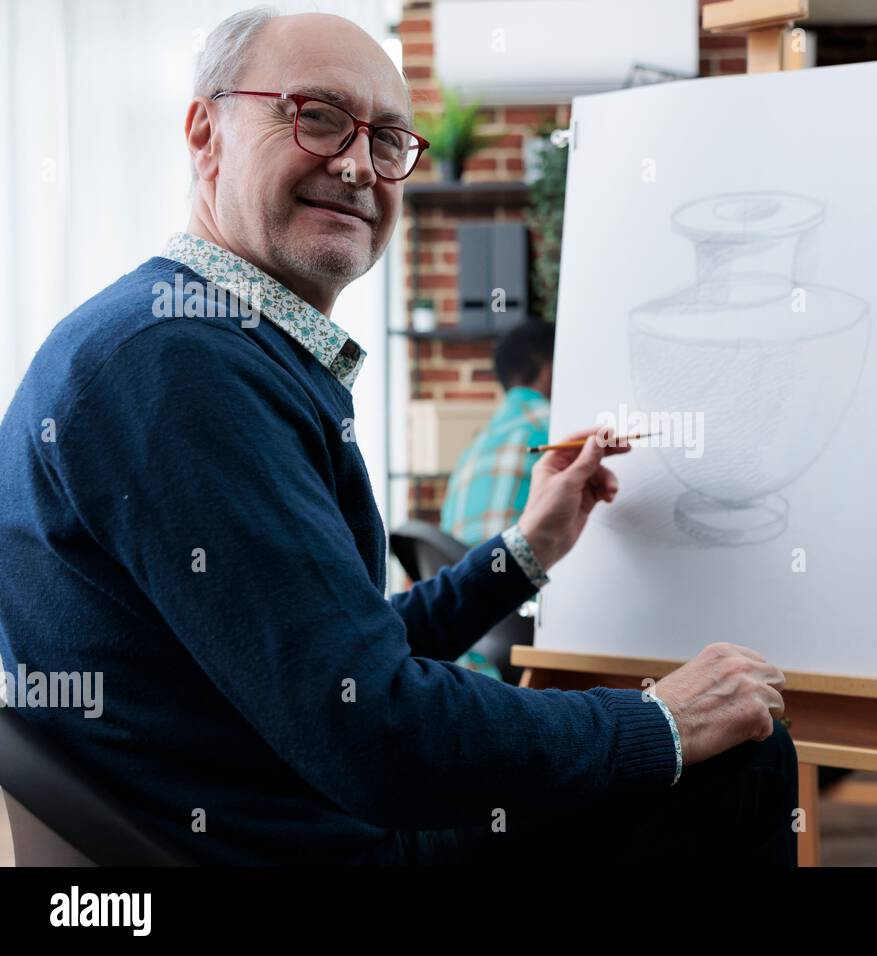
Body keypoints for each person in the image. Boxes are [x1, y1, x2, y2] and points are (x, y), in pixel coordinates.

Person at [0, 8, 795, 865]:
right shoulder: (177, 366)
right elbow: (373, 728)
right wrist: (657, 723)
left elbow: (342, 662)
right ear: (206, 134)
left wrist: (525, 550)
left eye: (388, 141)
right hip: (311, 846)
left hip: (275, 816)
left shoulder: (193, 341)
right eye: (318, 116)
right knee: (738, 761)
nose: (356, 165)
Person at [440, 319, 553, 547]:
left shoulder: (474, 449)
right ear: (550, 369)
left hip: (467, 577)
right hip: (518, 579)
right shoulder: (552, 426)